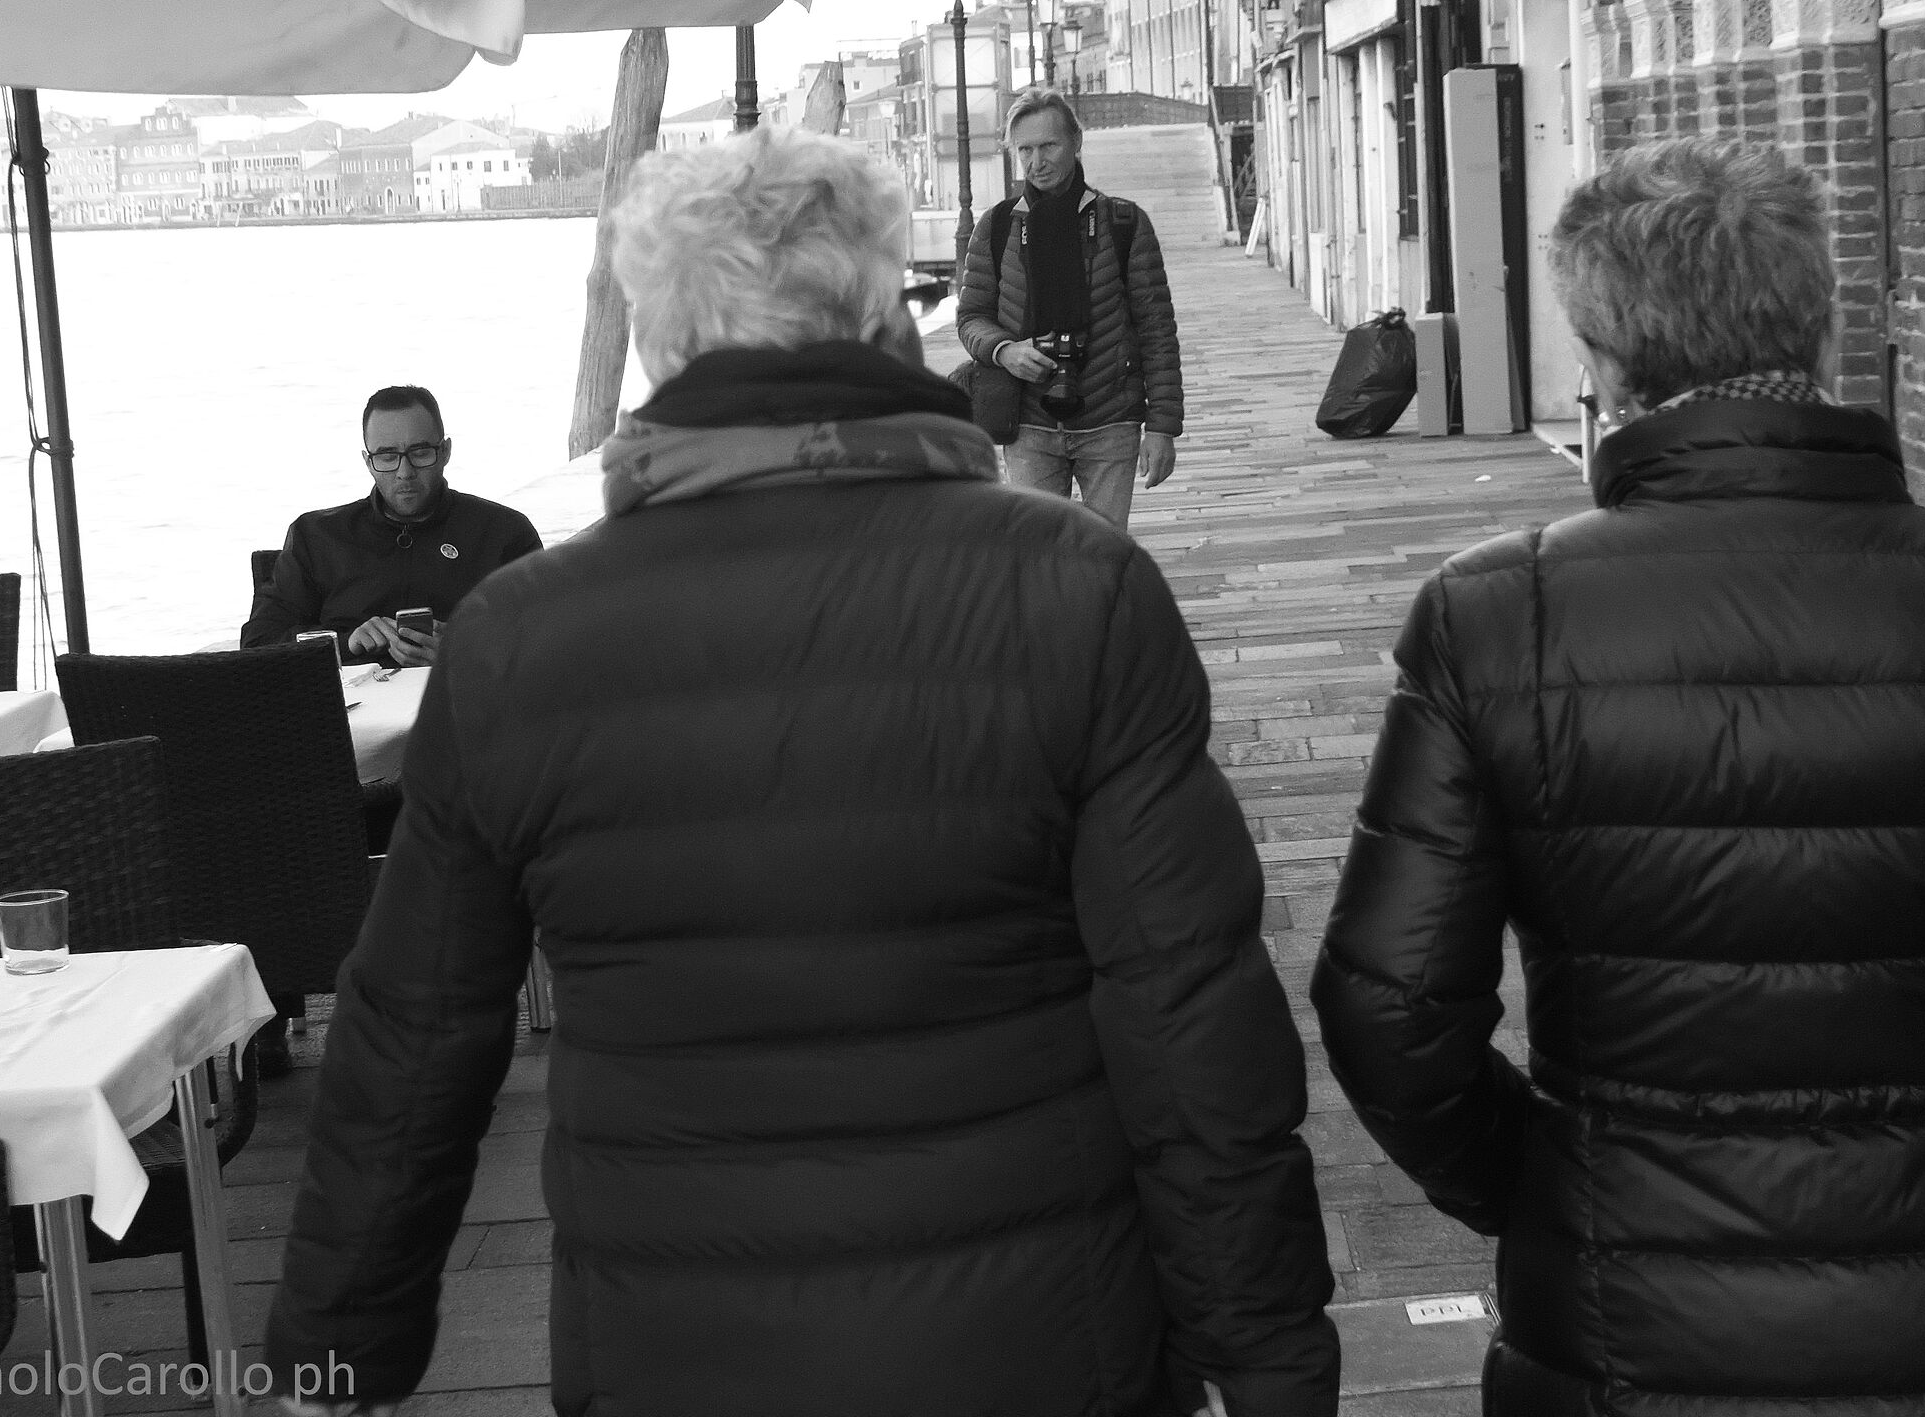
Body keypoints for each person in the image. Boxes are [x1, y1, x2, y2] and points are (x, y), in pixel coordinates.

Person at [265, 128, 1340, 1417]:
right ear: (883, 320)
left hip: (675, 1351)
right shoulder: (1078, 589)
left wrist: (339, 1348)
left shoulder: (516, 640)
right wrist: (1268, 1354)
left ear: (659, 348)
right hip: (1039, 1342)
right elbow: (1187, 1012)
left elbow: (414, 1038)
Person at [1310, 138, 1925, 1416]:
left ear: (1605, 364)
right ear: (1824, 332)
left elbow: (1389, 1005)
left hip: (1628, 1332)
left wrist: (1536, 1176)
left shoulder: (1496, 614)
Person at [956, 86, 1184, 528]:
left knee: (1104, 555)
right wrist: (1005, 351)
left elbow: (1157, 331)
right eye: (1025, 150)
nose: (1036, 161)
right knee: (1040, 556)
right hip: (1029, 423)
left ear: (1075, 141)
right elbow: (971, 318)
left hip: (1110, 420)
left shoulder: (1124, 223)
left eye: (1048, 146)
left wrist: (1162, 426)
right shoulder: (998, 226)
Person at [240, 385, 541, 668]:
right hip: (348, 704)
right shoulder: (317, 536)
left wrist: (462, 651)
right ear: (368, 461)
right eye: (387, 457)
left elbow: (547, 641)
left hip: (466, 699)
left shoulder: (504, 533)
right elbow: (259, 643)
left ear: (445, 452)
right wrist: (345, 643)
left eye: (420, 453)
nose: (404, 472)